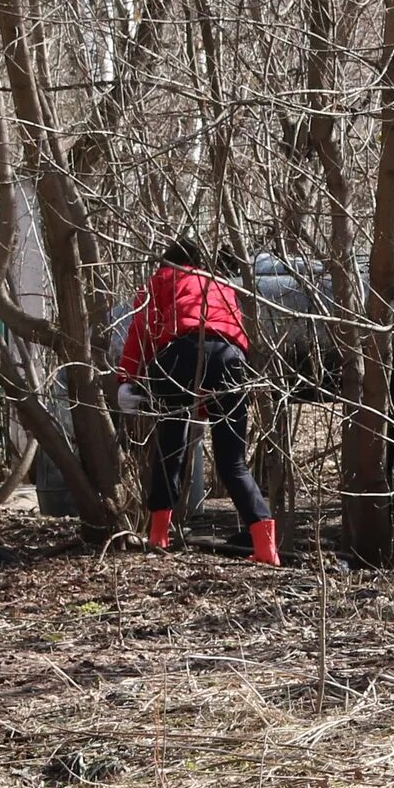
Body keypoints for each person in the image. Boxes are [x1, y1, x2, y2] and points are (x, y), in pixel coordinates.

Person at [114, 239, 279, 564]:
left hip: (179, 352)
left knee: (170, 449)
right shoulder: (220, 285)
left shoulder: (162, 279)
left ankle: (158, 539)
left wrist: (126, 379)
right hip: (231, 358)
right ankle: (266, 550)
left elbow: (140, 330)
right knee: (232, 461)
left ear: (167, 263)